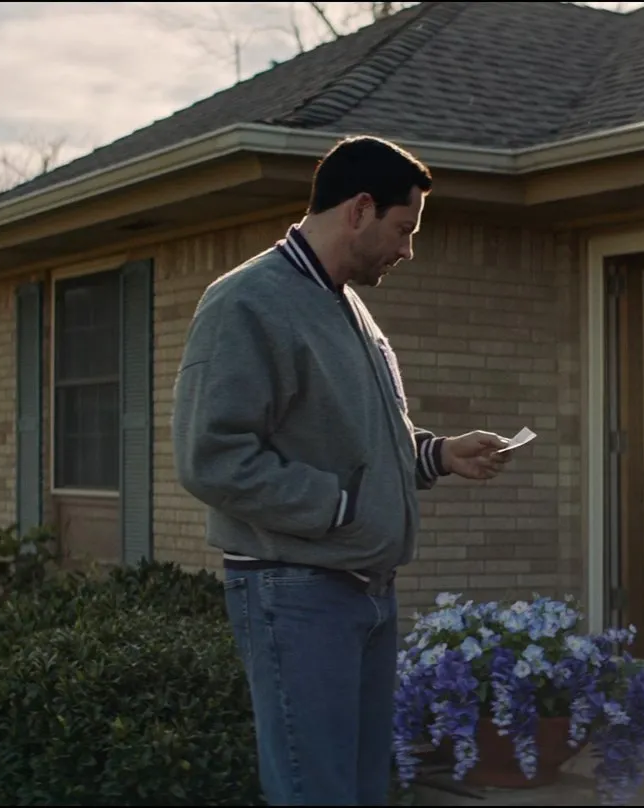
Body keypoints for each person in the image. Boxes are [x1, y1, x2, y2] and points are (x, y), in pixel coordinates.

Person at [172, 135, 513, 806]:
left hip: (365, 590)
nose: (408, 250)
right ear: (359, 209)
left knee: (359, 791)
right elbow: (211, 457)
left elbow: (357, 437)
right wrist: (340, 508)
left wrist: (438, 453)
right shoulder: (245, 302)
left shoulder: (347, 305)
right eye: (404, 228)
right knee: (316, 792)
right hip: (296, 592)